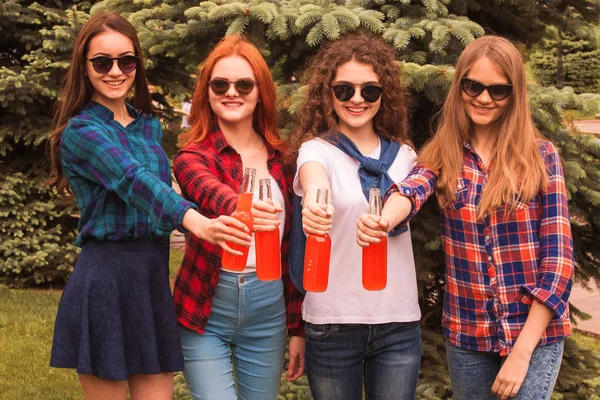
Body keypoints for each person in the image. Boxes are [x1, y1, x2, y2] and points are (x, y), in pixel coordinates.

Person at [356, 35, 574, 400]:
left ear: (514, 94)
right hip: (467, 335)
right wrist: (383, 221)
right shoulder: (444, 153)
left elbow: (558, 262)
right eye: (473, 86)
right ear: (460, 86)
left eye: (498, 90)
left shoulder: (541, 156)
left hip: (534, 337)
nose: (484, 98)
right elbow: (411, 190)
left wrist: (521, 353)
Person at [47, 13, 250, 400]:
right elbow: (132, 180)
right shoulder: (82, 131)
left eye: (127, 61)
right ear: (85, 67)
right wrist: (195, 221)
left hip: (152, 276)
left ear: (137, 65)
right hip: (105, 276)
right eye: (102, 62)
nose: (115, 71)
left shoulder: (148, 126)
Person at [172, 34, 305, 400]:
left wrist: (297, 327)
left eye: (244, 84)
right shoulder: (193, 155)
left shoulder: (283, 160)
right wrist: (242, 206)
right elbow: (207, 189)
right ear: (207, 92)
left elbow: (292, 248)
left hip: (268, 308)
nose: (232, 92)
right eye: (220, 84)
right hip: (206, 306)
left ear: (260, 91)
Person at [290, 32, 422, 400]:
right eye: (344, 90)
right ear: (328, 93)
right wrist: (314, 207)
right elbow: (315, 183)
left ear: (385, 94)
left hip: (397, 322)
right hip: (333, 322)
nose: (358, 99)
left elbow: (410, 200)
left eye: (370, 90)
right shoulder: (316, 150)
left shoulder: (406, 158)